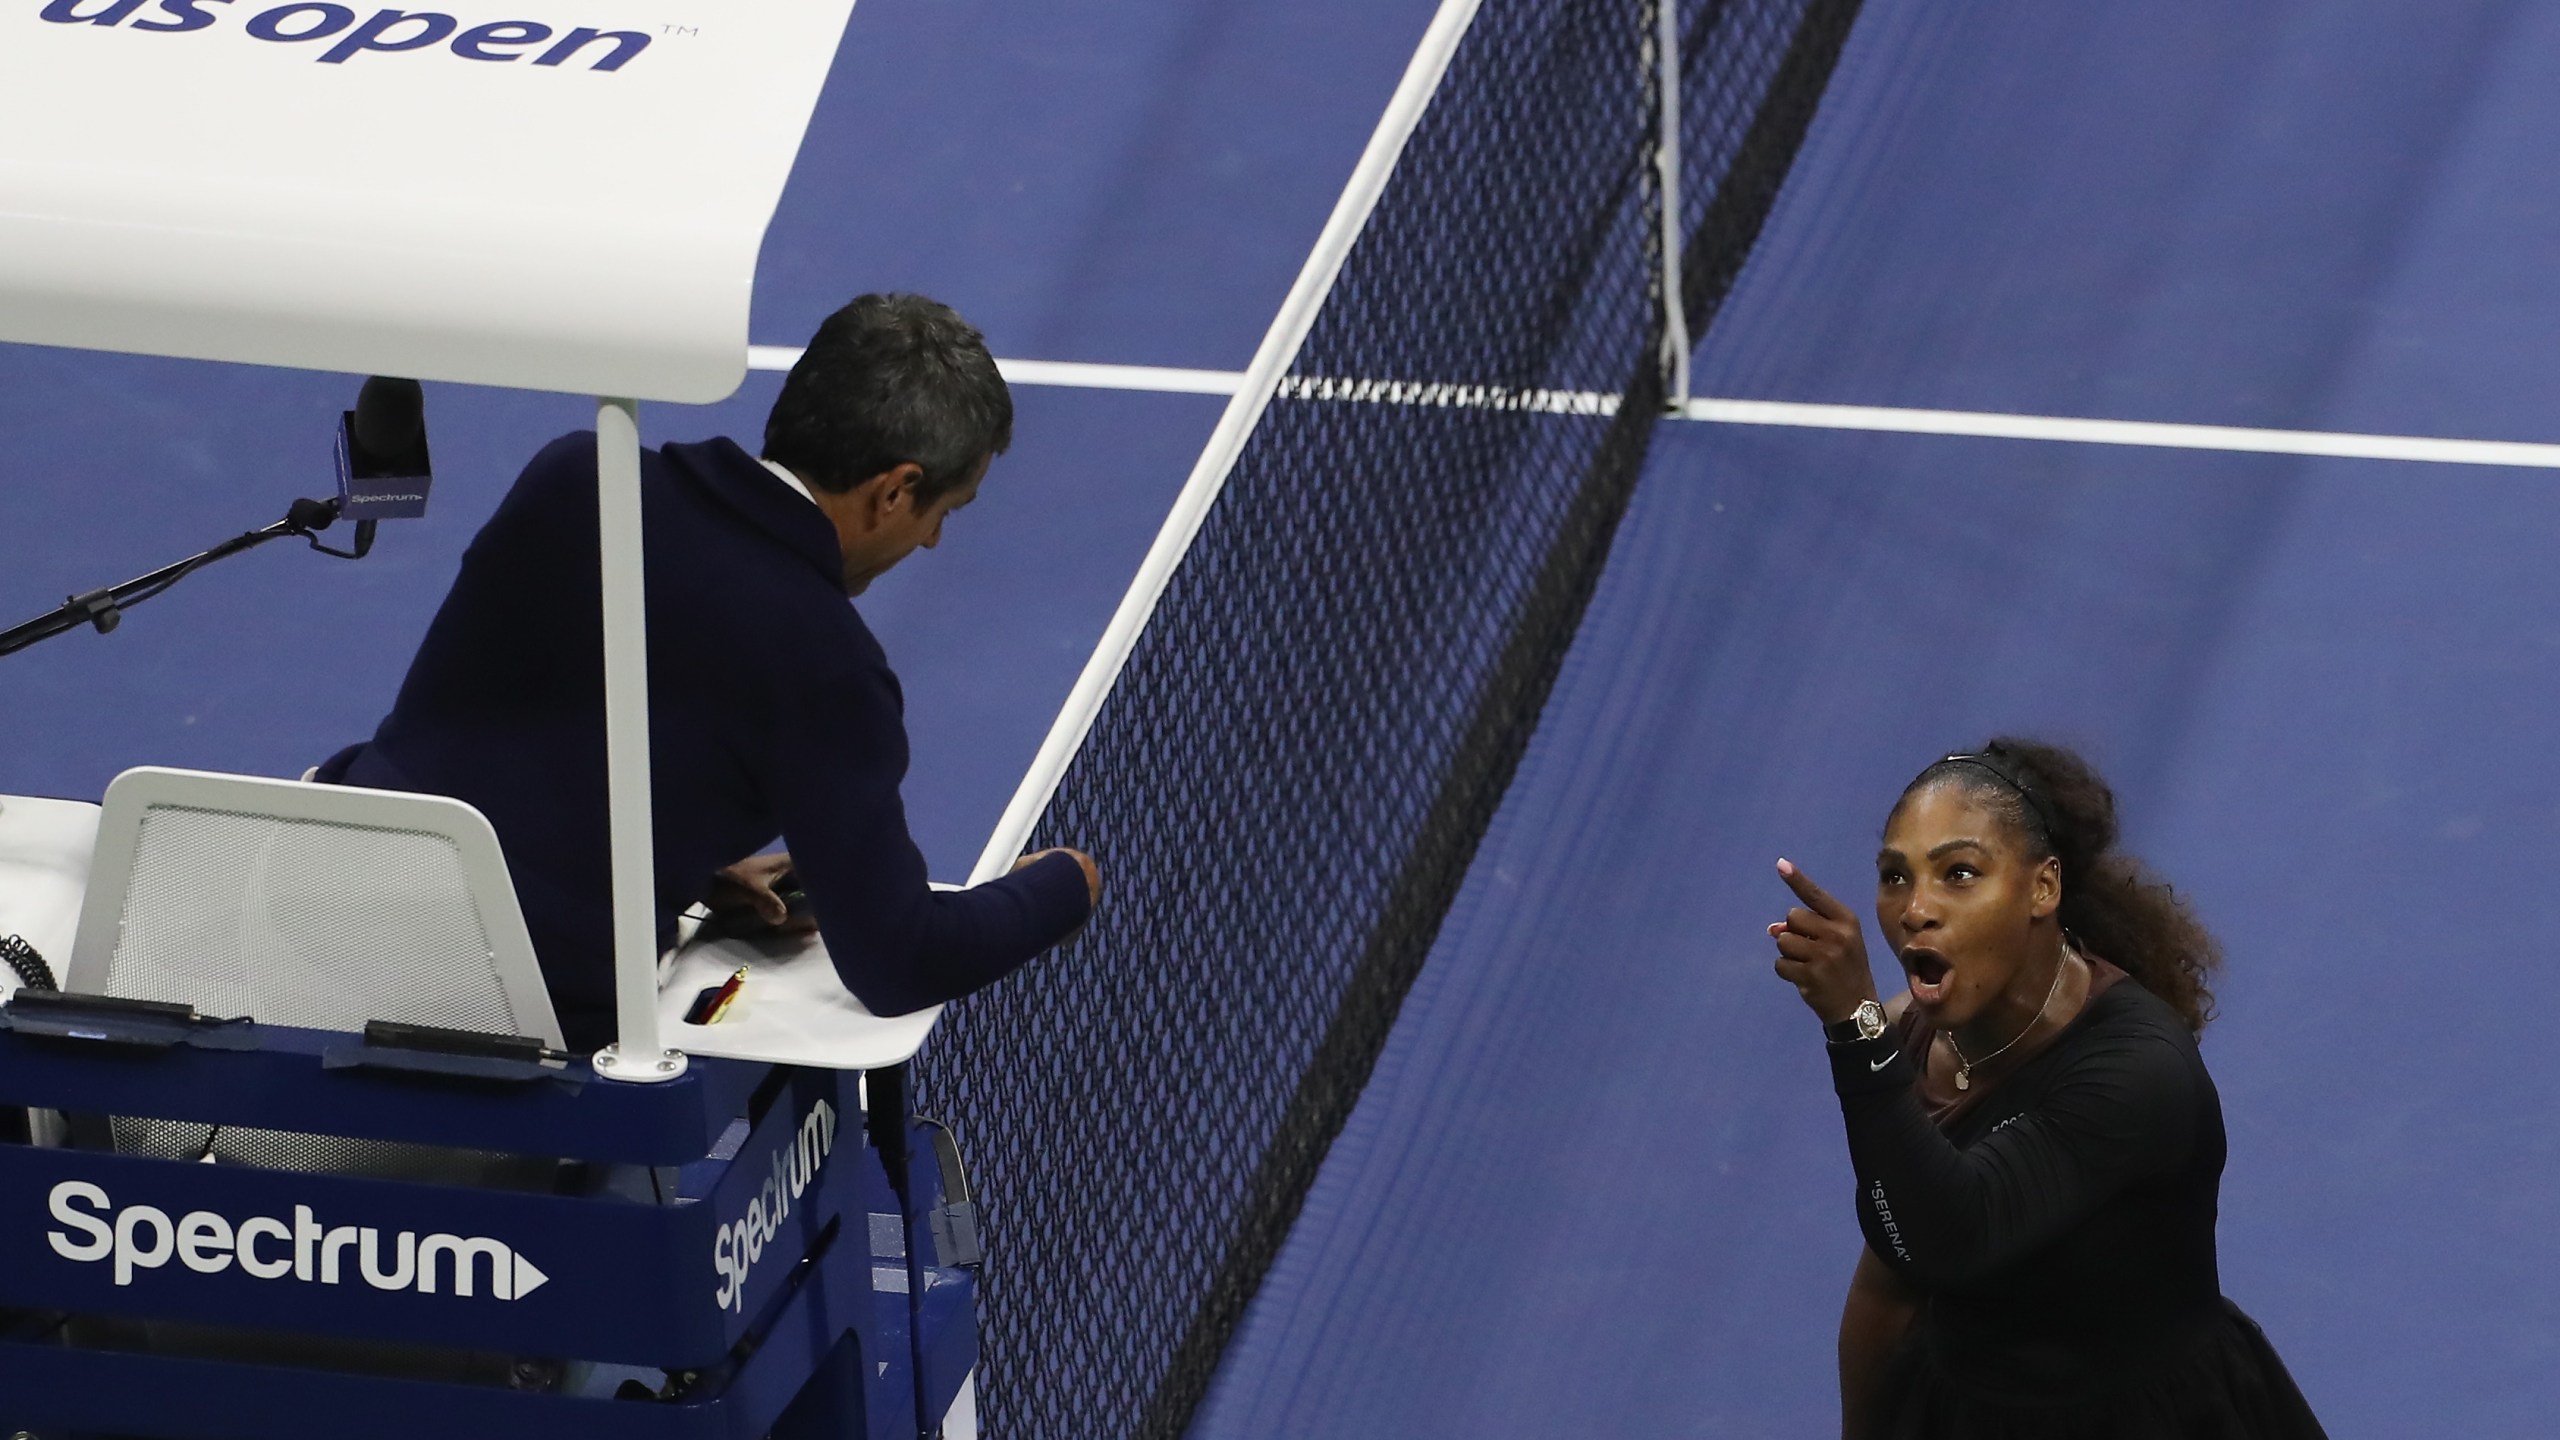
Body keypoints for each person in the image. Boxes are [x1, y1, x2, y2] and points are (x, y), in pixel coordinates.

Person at [317, 293, 1100, 1050]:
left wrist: (681, 866)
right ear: (895, 490)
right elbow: (901, 959)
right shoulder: (827, 661)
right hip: (492, 1017)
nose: (931, 540)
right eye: (945, 511)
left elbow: (539, 748)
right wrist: (1061, 886)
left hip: (310, 913)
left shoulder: (576, 476)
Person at [1765, 738, 2324, 1439]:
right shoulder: (1909, 1039)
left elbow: (1952, 1237)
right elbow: (1891, 1282)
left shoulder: (2137, 1075)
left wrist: (1855, 1028)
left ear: (2043, 887)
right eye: (1895, 877)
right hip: (1966, 1412)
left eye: (1958, 873)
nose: (1915, 910)